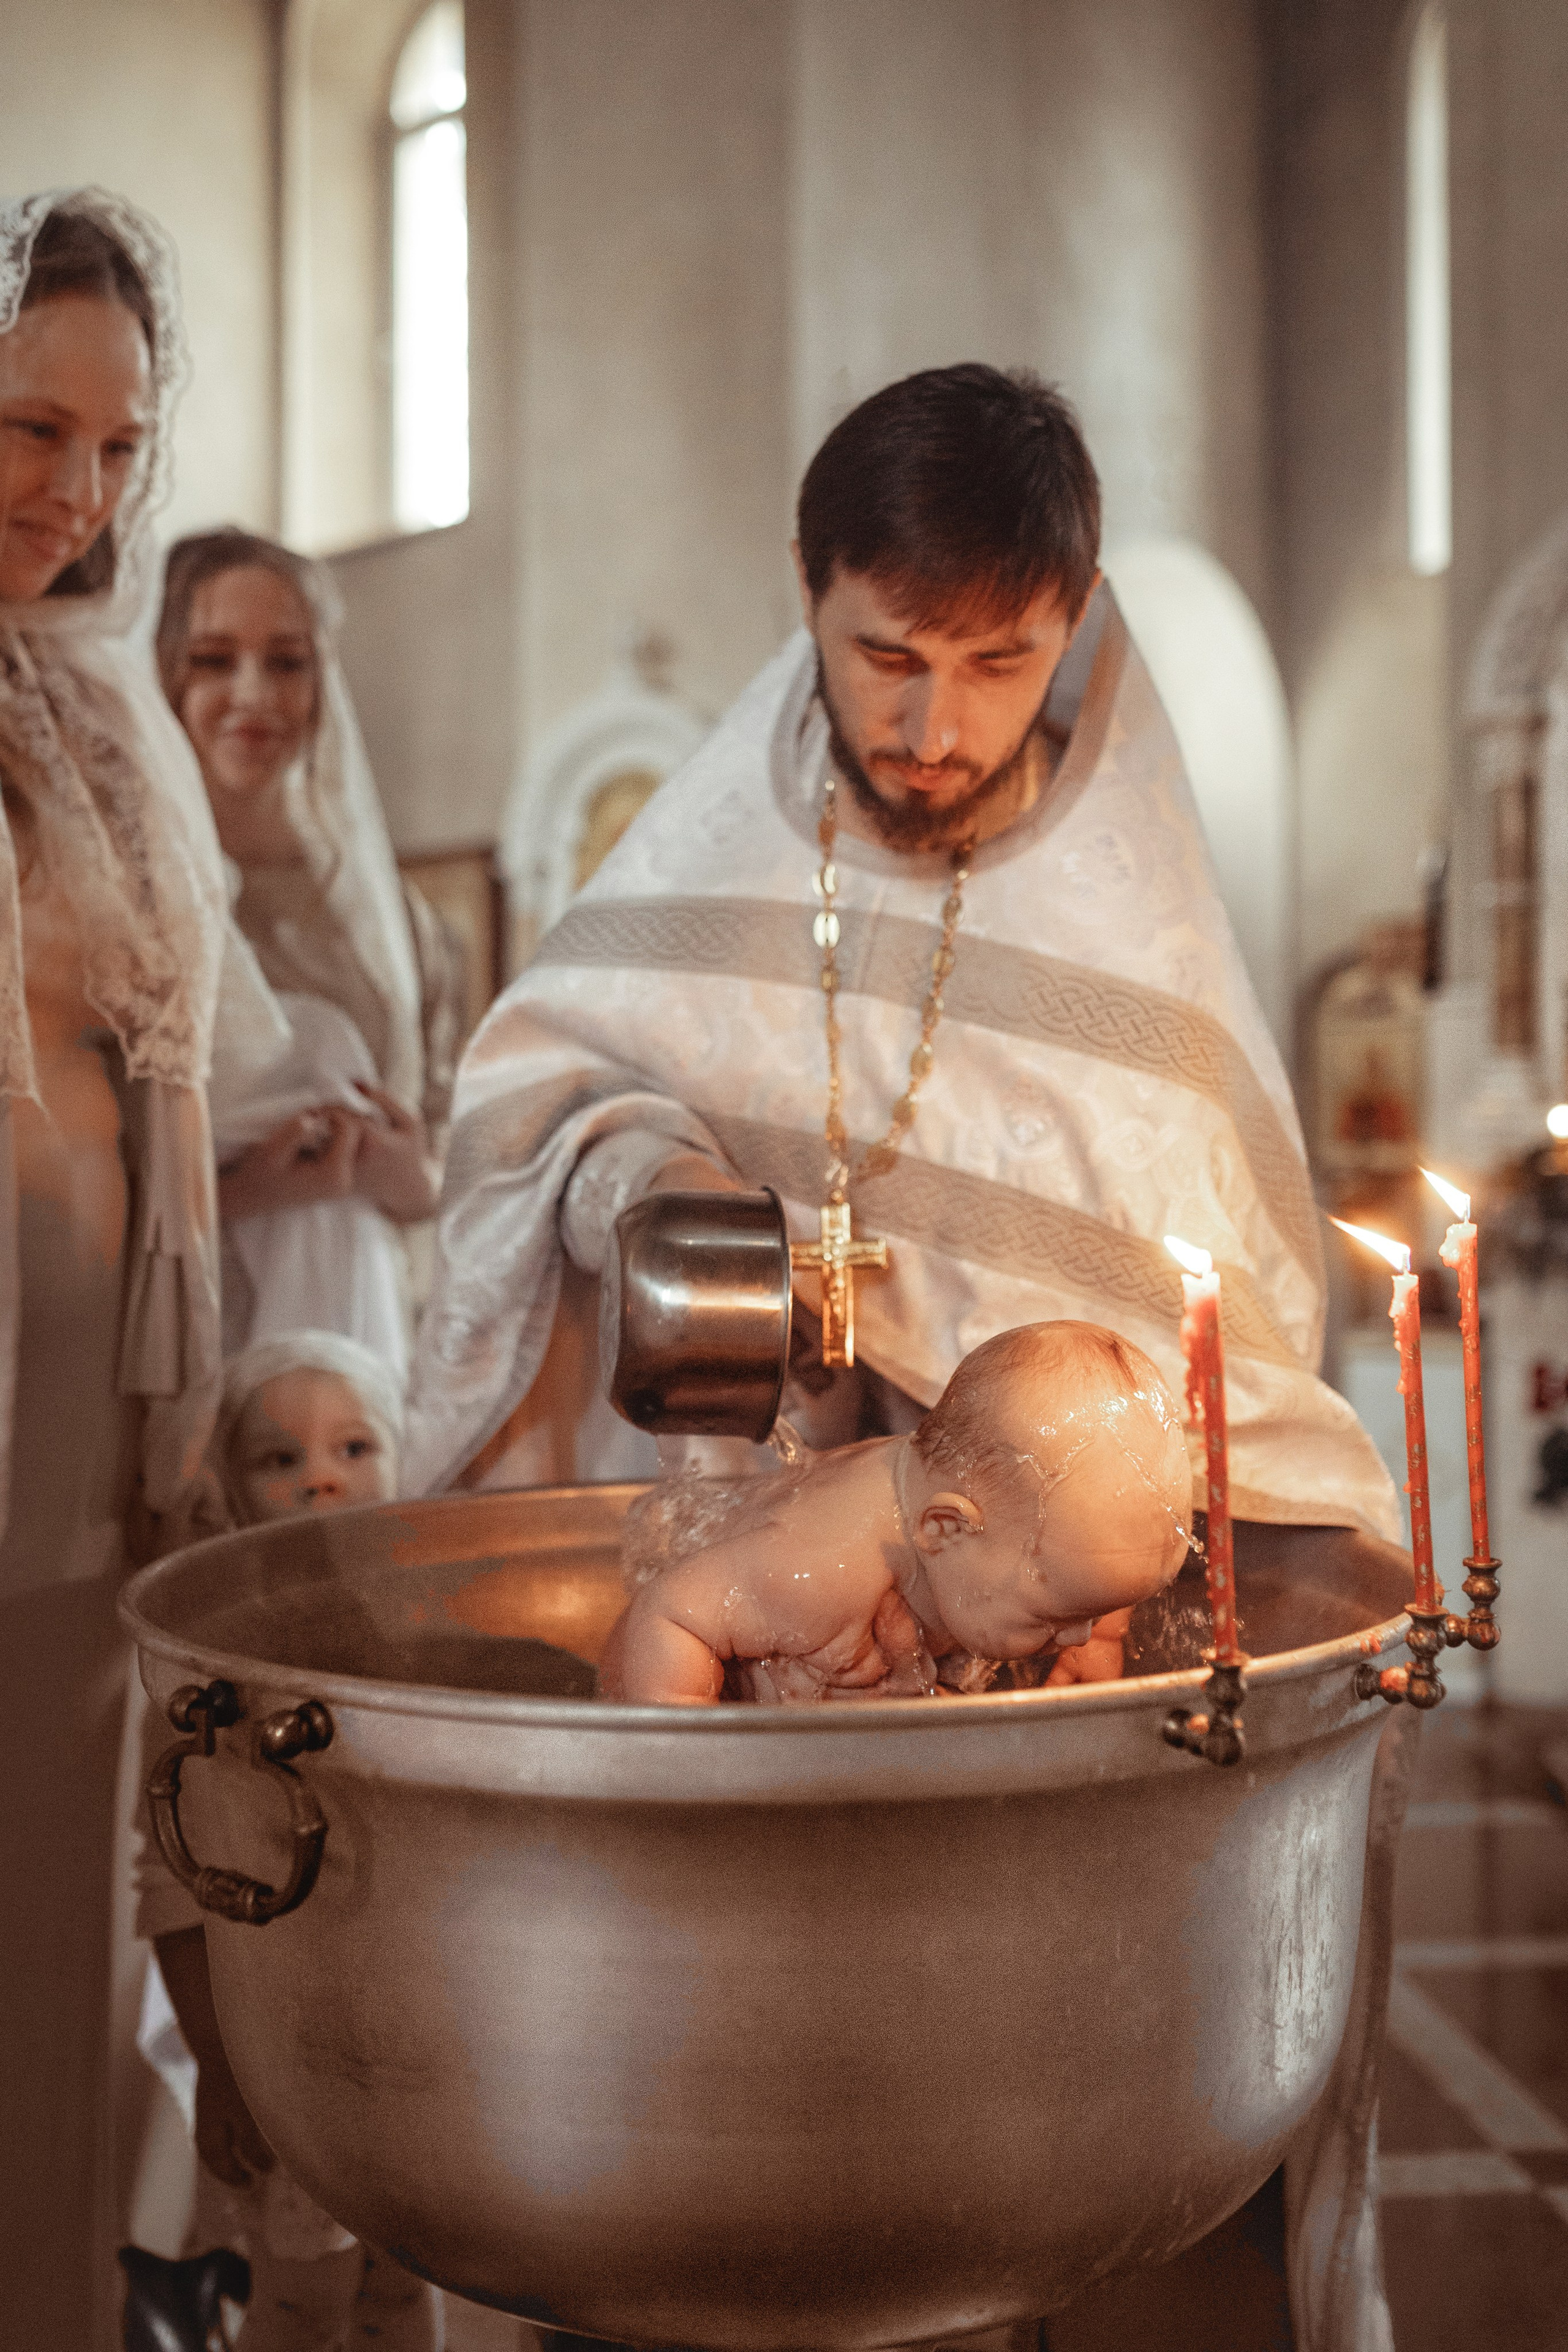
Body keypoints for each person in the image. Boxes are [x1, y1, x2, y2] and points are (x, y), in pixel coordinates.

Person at [407, 363, 1407, 2347]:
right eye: (886, 657)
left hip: (1023, 1678)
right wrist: (648, 1174)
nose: (935, 728)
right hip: (776, 1574)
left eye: (1001, 662)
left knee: (999, 2181)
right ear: (807, 589)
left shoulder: (1138, 929)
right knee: (722, 2160)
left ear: (1076, 621)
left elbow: (1227, 1345)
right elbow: (539, 1090)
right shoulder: (719, 847)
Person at [0, 189, 285, 2352]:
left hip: (93, 1468)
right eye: (29, 427)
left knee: (59, 1980)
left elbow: (181, 1071)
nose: (78, 494)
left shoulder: (99, 718)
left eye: (116, 447)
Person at [135, 1332, 440, 2352]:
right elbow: (178, 1892)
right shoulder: (207, 1671)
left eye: (354, 1449)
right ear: (227, 1489)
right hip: (292, 2057)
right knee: (304, 2300)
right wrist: (221, 2067)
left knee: (409, 2287)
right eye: (280, 1461)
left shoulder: (426, 1633)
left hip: (418, 2051)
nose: (321, 1480)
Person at [155, 527, 461, 1365]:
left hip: (360, 1329)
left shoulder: (394, 915)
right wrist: (251, 1191)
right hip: (190, 1330)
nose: (254, 693)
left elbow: (446, 1142)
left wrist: (412, 1181)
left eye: (286, 662)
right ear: (162, 671)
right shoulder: (133, 896)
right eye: (214, 659)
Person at [600, 1321, 1191, 1704]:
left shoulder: (1019, 1532)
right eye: (1061, 1615)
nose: (1080, 1634)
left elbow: (1092, 1572)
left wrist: (1101, 1634)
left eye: (1104, 1609)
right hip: (658, 1664)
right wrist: (690, 1757)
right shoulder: (816, 1569)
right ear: (945, 1528)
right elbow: (671, 1616)